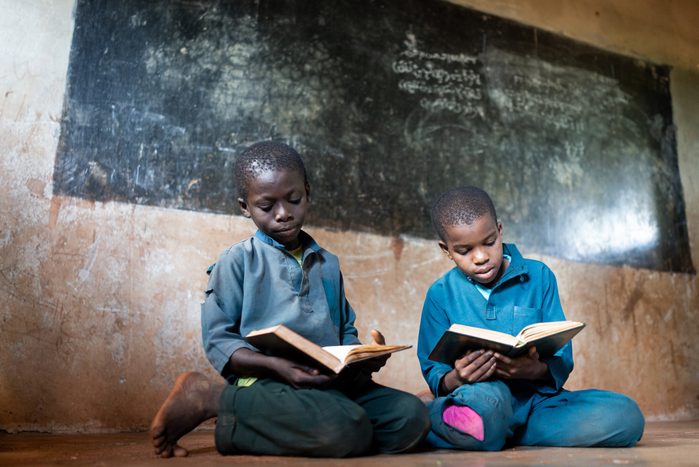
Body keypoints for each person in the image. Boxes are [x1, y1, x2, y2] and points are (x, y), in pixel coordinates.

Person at [150, 141, 430, 458]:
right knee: (344, 427)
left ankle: (330, 426)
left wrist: (361, 359)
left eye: (294, 200)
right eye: (267, 207)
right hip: (267, 380)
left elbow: (344, 331)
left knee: (410, 418)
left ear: (307, 192)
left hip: (328, 382)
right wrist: (277, 365)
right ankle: (214, 399)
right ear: (245, 207)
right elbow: (219, 339)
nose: (283, 214)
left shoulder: (328, 264)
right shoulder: (238, 261)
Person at [417, 185, 644, 451]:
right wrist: (458, 377)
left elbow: (561, 357)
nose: (481, 257)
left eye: (489, 242)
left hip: (536, 402)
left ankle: (487, 431)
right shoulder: (440, 294)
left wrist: (534, 370)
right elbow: (435, 372)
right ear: (446, 250)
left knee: (625, 415)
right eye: (464, 251)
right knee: (488, 404)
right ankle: (449, 418)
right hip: (481, 396)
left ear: (500, 231)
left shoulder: (539, 276)